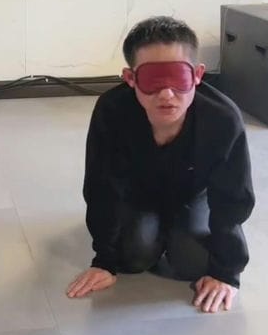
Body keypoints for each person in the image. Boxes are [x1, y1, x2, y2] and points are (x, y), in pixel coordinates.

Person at [66, 16, 255, 313]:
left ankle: (174, 230)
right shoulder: (112, 112)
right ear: (130, 79)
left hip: (194, 194)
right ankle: (151, 232)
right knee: (132, 256)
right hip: (138, 196)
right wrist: (104, 260)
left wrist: (226, 273)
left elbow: (233, 197)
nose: (166, 94)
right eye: (153, 80)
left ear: (197, 75)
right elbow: (102, 188)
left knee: (193, 262)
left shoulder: (222, 119)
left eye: (178, 78)